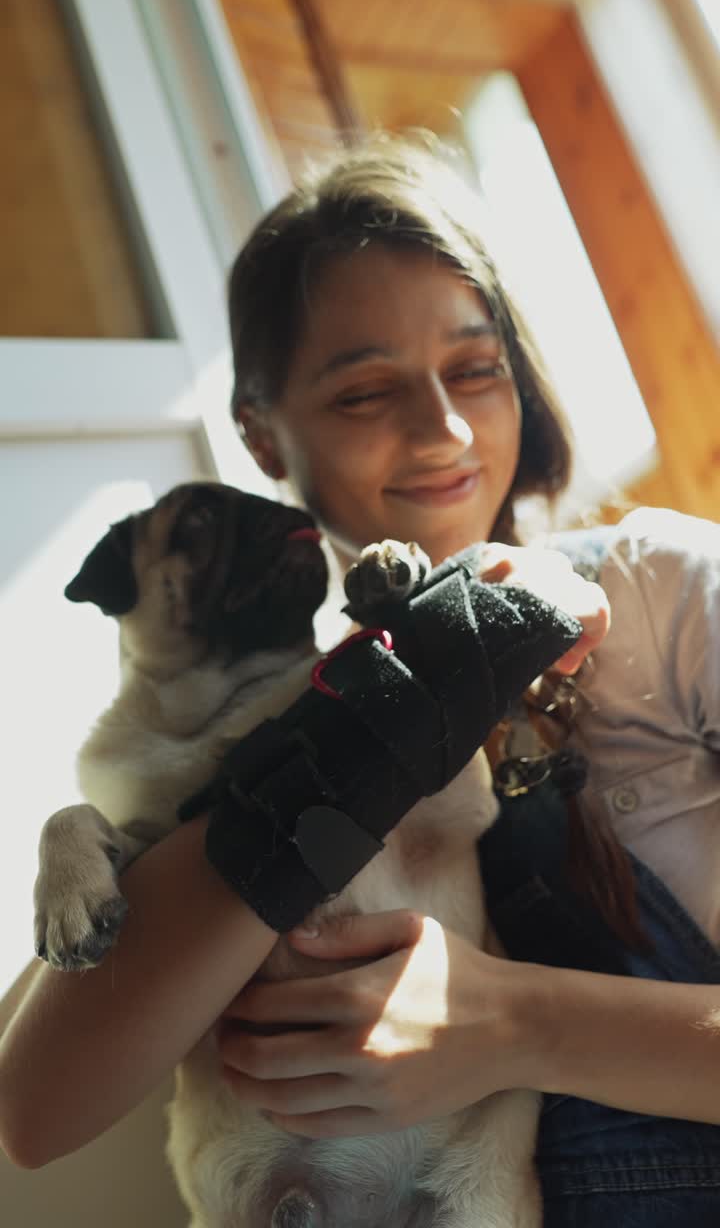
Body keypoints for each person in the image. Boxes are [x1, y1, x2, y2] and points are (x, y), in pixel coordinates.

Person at [1, 138, 719, 1226]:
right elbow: (37, 1110)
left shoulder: (668, 590)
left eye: (476, 369)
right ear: (260, 435)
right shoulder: (295, 718)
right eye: (365, 389)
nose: (439, 426)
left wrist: (516, 1022)